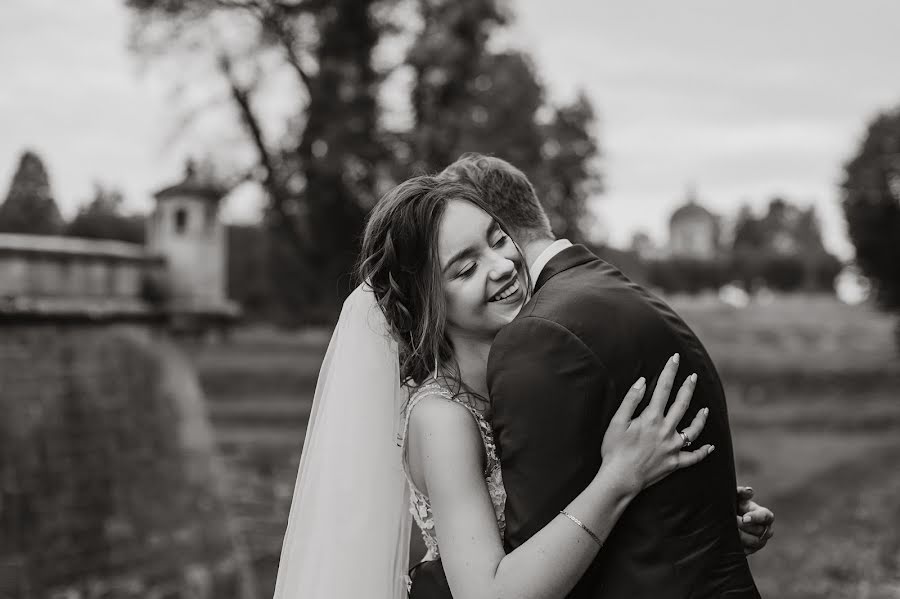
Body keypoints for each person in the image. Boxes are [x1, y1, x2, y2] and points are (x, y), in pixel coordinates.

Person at [271, 171, 773, 599]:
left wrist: (689, 515)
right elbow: (489, 592)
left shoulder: (522, 379)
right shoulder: (441, 416)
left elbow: (554, 517)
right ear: (427, 303)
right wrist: (620, 477)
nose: (503, 266)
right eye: (466, 268)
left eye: (497, 238)